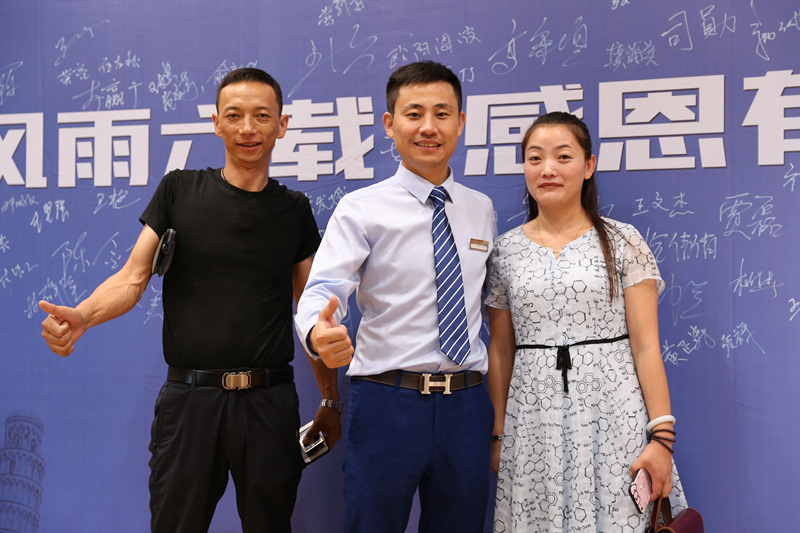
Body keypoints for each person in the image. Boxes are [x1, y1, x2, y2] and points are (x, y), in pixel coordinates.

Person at [38, 68, 341, 533]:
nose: (247, 128)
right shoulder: (178, 190)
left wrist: (330, 400)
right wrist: (82, 316)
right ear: (216, 123)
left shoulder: (294, 210)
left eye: (262, 116)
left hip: (270, 404)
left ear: (282, 125)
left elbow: (311, 313)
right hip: (190, 401)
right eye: (234, 115)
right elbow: (132, 278)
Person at [294, 61, 497, 533]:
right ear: (389, 124)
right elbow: (322, 288)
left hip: (466, 404)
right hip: (388, 403)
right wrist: (318, 333)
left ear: (461, 123)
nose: (428, 127)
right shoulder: (361, 209)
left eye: (442, 113)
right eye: (414, 113)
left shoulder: (480, 209)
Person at [485, 112, 688, 532]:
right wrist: (500, 434)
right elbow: (501, 350)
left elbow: (646, 345)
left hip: (613, 416)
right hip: (532, 422)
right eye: (535, 158)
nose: (548, 169)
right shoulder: (505, 251)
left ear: (588, 165)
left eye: (563, 156)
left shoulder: (623, 240)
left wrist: (662, 438)